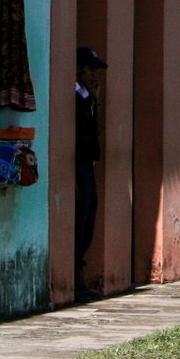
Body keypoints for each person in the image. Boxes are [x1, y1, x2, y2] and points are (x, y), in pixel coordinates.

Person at [74, 46, 108, 302]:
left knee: (89, 216)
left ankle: (80, 278)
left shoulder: (88, 97)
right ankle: (75, 280)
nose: (93, 74)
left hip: (88, 162)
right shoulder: (77, 97)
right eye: (90, 69)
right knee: (82, 215)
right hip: (78, 163)